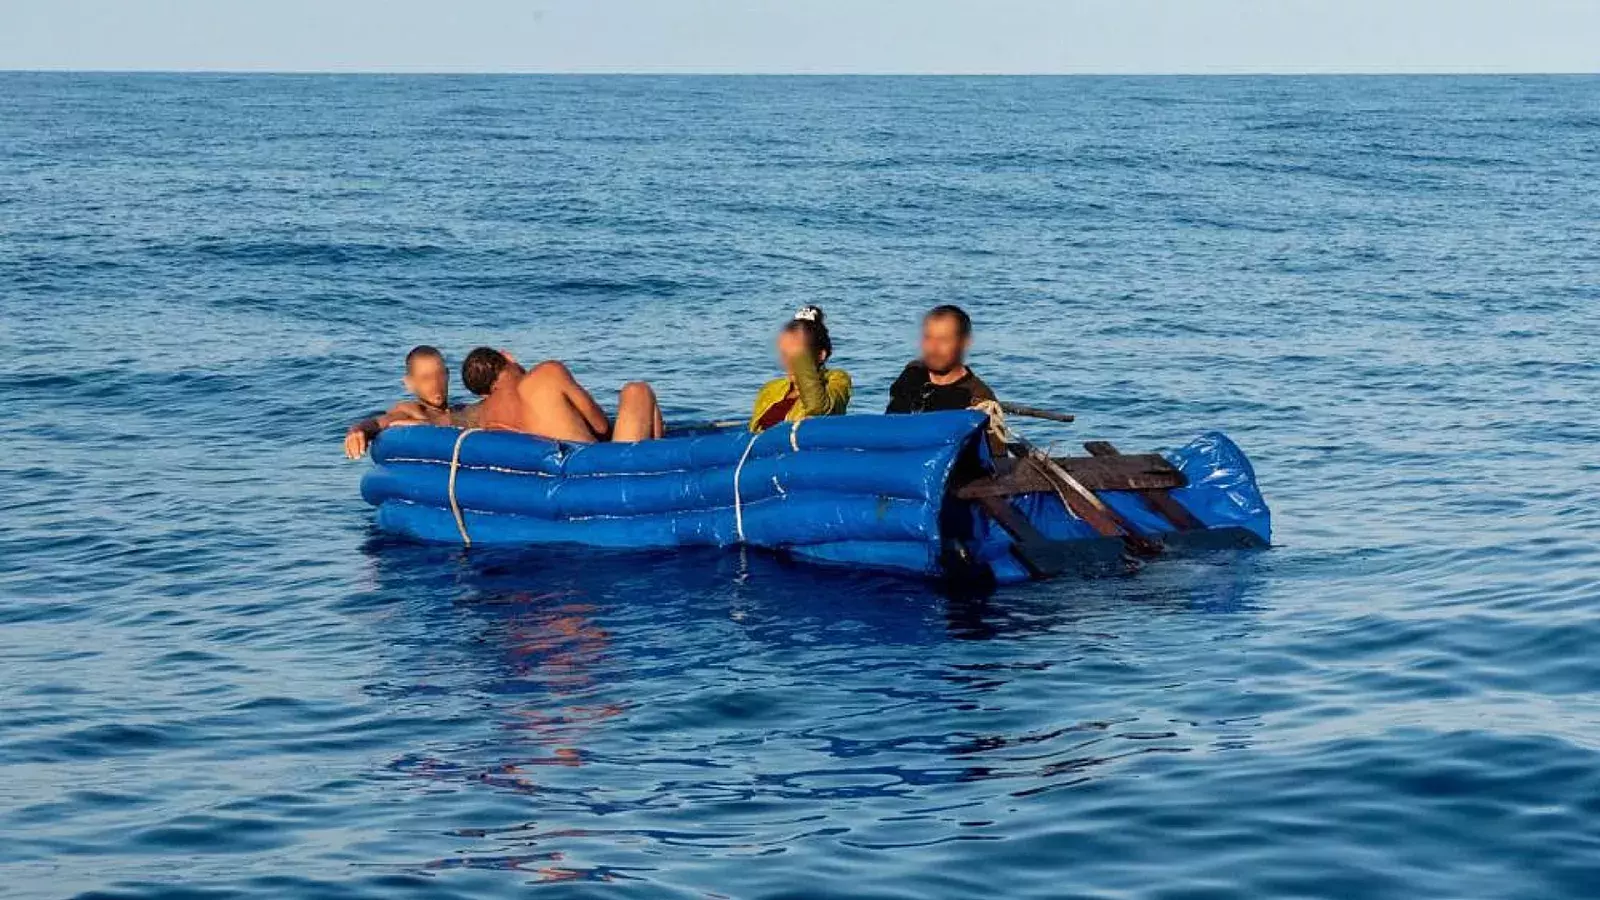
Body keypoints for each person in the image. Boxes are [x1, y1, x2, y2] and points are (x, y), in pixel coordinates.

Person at [462, 347, 663, 443]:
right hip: (600, 472)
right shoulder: (546, 373)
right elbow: (601, 426)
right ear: (508, 356)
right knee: (637, 391)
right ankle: (663, 464)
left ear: (482, 393)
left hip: (554, 483)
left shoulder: (485, 414)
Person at [343, 345, 477, 459]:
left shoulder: (462, 410)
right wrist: (357, 430)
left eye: (440, 375)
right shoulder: (413, 411)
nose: (435, 384)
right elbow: (377, 423)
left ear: (448, 375)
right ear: (410, 383)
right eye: (426, 378)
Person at [749, 306, 852, 432]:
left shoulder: (837, 380)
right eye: (785, 353)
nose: (790, 361)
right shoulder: (770, 389)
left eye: (798, 355)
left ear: (821, 355)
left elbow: (818, 409)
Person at [886, 304, 996, 414]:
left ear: (964, 343)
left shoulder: (978, 400)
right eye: (928, 338)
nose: (933, 348)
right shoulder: (912, 373)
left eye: (943, 340)